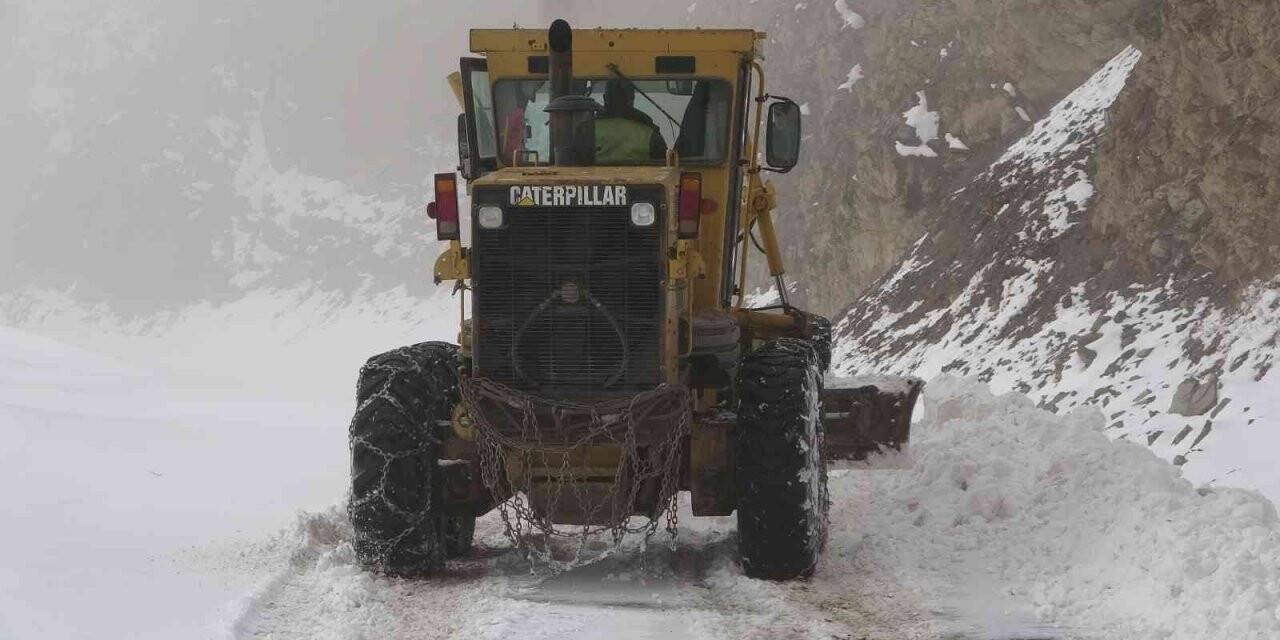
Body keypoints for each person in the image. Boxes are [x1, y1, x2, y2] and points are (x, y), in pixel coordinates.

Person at [591, 80, 667, 164]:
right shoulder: (650, 134)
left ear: (605, 98)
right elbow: (665, 167)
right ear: (632, 98)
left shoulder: (586, 130)